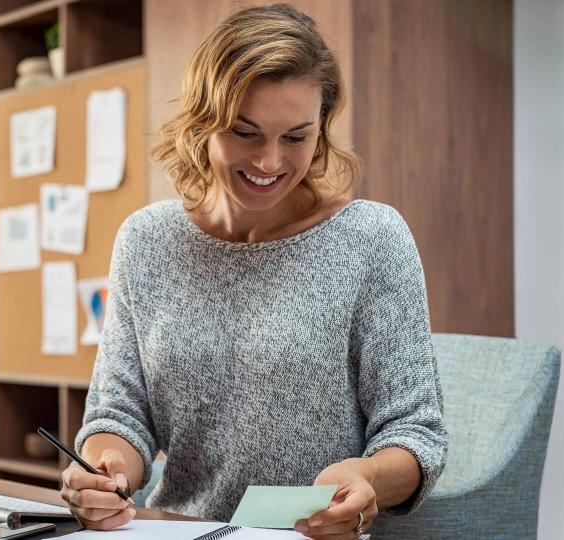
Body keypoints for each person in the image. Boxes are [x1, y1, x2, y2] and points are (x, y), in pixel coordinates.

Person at [60, 4, 448, 539]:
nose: (269, 162)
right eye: (245, 132)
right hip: (175, 530)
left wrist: (366, 477)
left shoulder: (372, 239)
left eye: (296, 136)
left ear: (322, 129)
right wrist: (106, 472)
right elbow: (120, 415)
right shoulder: (145, 241)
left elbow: (416, 433)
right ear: (203, 119)